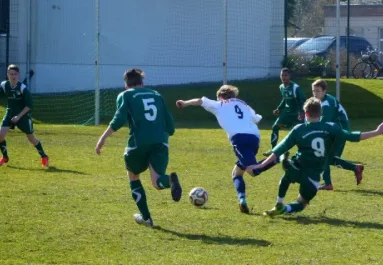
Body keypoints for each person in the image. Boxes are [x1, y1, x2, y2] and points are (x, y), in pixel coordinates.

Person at [246, 97, 383, 217]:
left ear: (305, 114)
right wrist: (377, 132)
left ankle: (279, 201)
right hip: (313, 176)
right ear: (320, 113)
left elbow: (278, 149)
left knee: (286, 174)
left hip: (298, 166)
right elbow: (352, 136)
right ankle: (287, 209)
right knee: (302, 203)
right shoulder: (330, 127)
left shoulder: (299, 129)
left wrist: (260, 166)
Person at [95, 68, 181, 227]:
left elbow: (119, 119)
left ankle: (146, 218)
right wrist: (168, 132)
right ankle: (169, 180)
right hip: (161, 141)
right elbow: (169, 120)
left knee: (134, 176)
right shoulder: (156, 95)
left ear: (126, 84)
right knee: (156, 182)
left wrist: (102, 138)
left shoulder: (126, 95)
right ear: (142, 82)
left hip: (138, 142)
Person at [176, 84, 276, 214]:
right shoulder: (244, 105)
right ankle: (242, 201)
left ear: (219, 96)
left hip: (239, 139)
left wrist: (184, 103)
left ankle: (277, 158)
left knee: (252, 171)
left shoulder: (220, 105)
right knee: (237, 173)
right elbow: (257, 120)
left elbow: (200, 101)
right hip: (255, 138)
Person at [0, 64, 49, 167]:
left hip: (23, 115)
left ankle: (44, 156)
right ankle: (5, 157)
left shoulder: (23, 88)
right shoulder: (4, 85)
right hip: (9, 113)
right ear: (7, 74)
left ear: (18, 75)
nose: (13, 76)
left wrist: (18, 117)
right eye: (11, 74)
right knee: (0, 136)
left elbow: (29, 106)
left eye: (15, 74)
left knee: (31, 138)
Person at [312, 79, 363, 190]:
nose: (315, 93)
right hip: (338, 130)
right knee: (329, 158)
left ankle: (328, 184)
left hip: (339, 131)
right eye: (313, 91)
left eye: (318, 91)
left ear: (324, 91)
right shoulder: (325, 99)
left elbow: (324, 124)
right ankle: (355, 168)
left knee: (324, 156)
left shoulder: (326, 104)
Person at [266, 68, 306, 154]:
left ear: (289, 76)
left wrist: (302, 112)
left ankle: (304, 151)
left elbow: (302, 100)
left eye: (285, 75)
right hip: (287, 114)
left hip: (296, 114)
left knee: (301, 132)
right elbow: (284, 99)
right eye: (282, 75)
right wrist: (278, 109)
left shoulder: (295, 87)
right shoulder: (281, 87)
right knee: (275, 127)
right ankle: (274, 150)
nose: (283, 77)